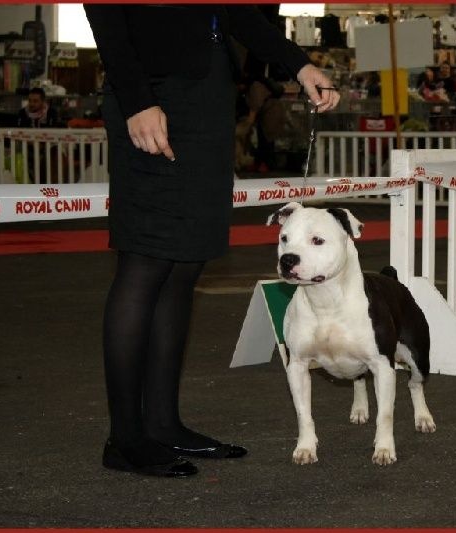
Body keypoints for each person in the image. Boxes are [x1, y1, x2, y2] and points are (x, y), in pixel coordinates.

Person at [83, 5, 340, 478]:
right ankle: (125, 438)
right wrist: (136, 97)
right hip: (151, 93)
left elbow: (235, 11)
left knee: (184, 267)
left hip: (207, 97)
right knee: (145, 262)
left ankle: (162, 424)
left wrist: (298, 64)